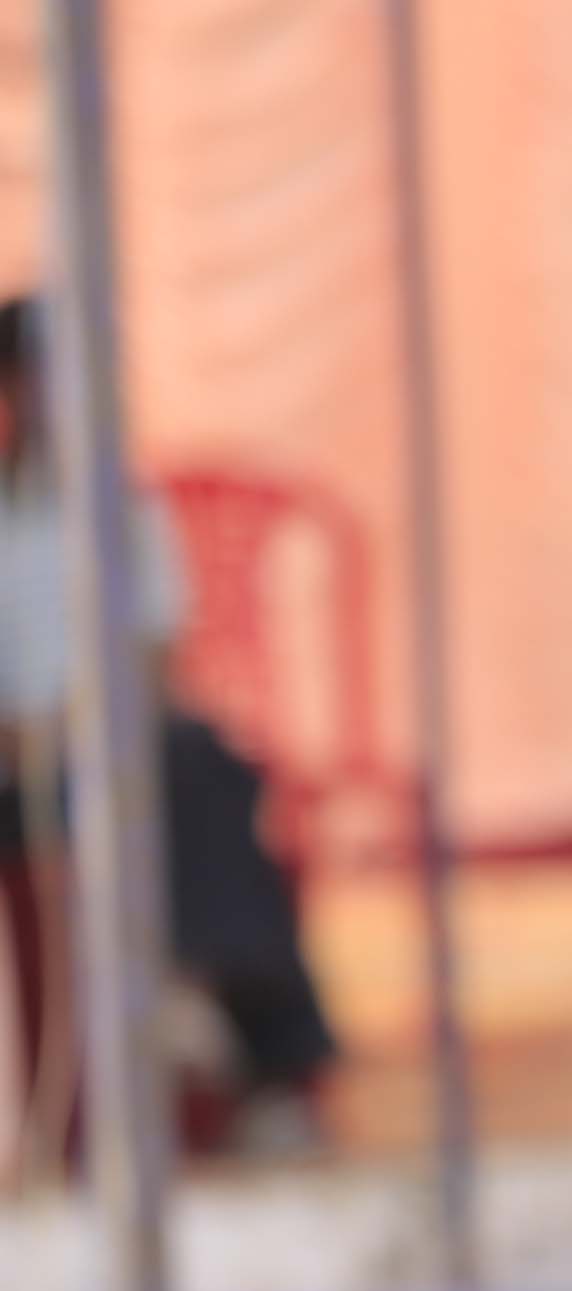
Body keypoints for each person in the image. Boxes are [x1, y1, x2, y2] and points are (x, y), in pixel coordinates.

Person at [0, 294, 338, 1155]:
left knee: (204, 760)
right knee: (180, 772)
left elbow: (154, 658)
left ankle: (210, 1002)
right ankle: (231, 1021)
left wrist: (84, 725)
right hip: (20, 777)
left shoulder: (125, 511)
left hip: (112, 747)